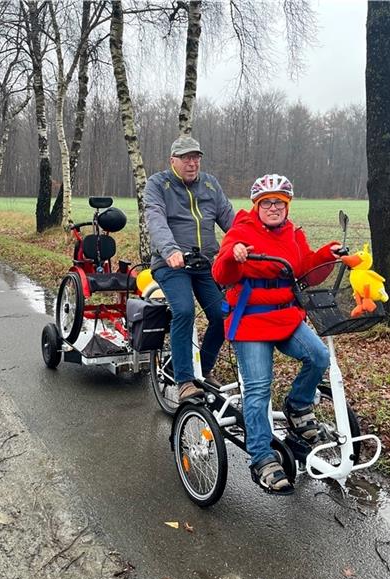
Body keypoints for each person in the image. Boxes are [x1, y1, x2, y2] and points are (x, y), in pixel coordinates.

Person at [212, 174, 342, 495]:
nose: (273, 207)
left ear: (287, 206)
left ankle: (297, 406)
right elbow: (220, 272)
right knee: (257, 391)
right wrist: (233, 254)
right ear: (257, 206)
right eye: (267, 202)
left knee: (319, 356)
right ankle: (261, 456)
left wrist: (328, 254)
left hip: (285, 318)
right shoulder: (241, 231)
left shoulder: (293, 234)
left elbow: (305, 270)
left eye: (279, 202)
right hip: (251, 322)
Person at [144, 136, 235, 400]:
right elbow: (156, 218)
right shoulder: (158, 184)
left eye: (196, 157)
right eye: (185, 158)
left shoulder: (209, 184)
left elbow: (229, 218)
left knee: (222, 315)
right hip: (171, 263)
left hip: (205, 263)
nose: (192, 163)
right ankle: (184, 380)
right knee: (184, 310)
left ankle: (204, 369)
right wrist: (170, 250)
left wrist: (248, 242)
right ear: (173, 160)